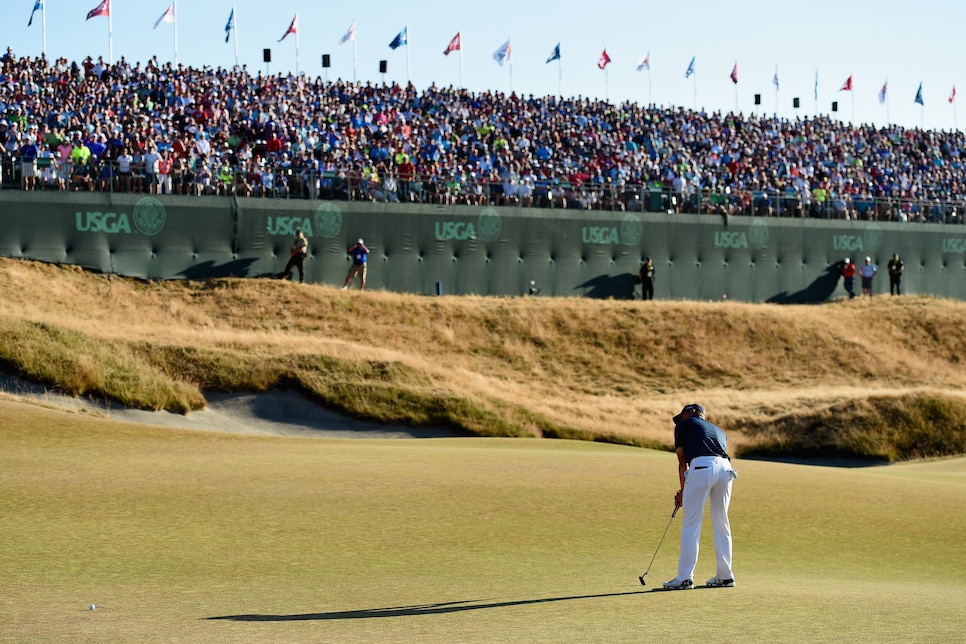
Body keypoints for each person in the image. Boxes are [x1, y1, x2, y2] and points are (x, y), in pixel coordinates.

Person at [663, 403, 737, 590]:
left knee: (691, 523)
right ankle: (725, 576)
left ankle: (685, 578)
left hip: (702, 467)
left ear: (691, 413)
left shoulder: (683, 425)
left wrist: (683, 492)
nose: (679, 421)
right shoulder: (719, 430)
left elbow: (682, 462)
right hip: (726, 470)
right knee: (722, 523)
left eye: (682, 416)